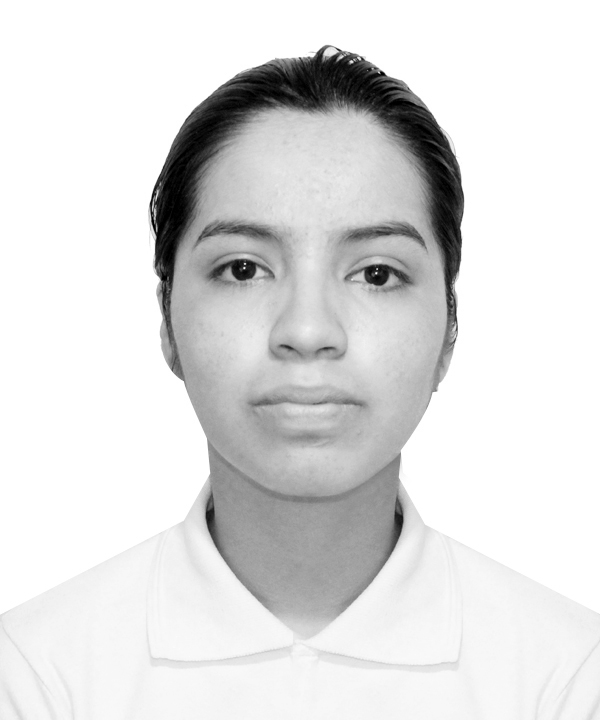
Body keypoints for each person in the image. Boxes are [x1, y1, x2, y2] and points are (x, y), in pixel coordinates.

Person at [1, 45, 598, 719]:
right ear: (167, 319)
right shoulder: (34, 679)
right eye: (243, 269)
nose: (308, 330)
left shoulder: (569, 682)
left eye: (377, 274)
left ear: (449, 330)